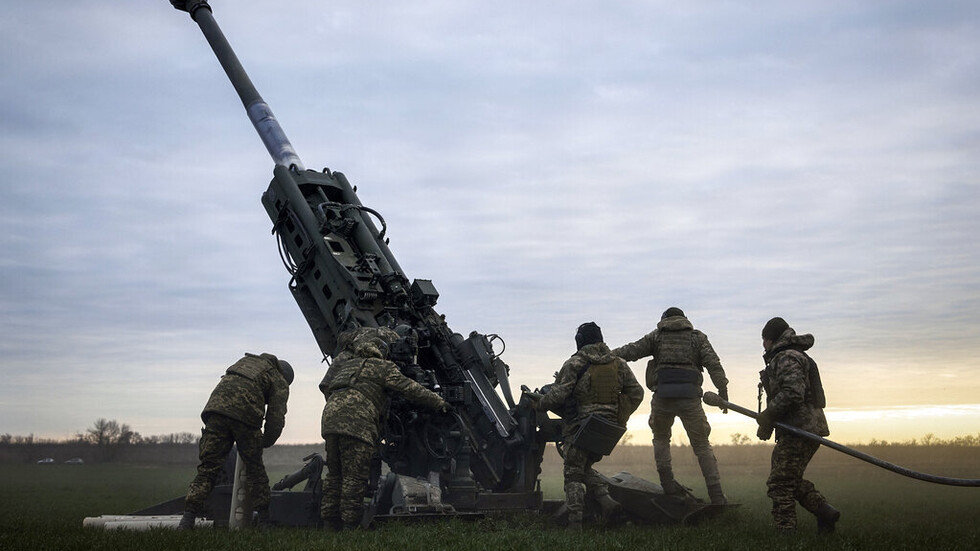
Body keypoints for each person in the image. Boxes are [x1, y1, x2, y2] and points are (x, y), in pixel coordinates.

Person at [319, 326, 450, 530]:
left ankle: (329, 524)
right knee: (354, 478)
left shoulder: (347, 365)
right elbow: (410, 388)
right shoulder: (382, 367)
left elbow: (327, 388)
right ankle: (349, 528)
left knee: (335, 475)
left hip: (330, 422)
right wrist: (439, 403)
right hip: (357, 423)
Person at [531, 322, 644, 531]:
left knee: (573, 474)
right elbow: (637, 393)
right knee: (584, 468)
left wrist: (539, 403)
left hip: (582, 427)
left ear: (580, 341)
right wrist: (620, 415)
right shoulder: (619, 364)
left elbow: (559, 395)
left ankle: (575, 525)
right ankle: (607, 502)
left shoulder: (575, 363)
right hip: (609, 430)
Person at [611, 307, 729, 504]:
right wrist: (722, 390)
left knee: (661, 439)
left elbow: (630, 351)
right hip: (690, 399)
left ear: (664, 319)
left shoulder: (657, 337)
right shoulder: (697, 338)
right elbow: (713, 364)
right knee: (701, 445)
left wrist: (606, 356)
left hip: (663, 397)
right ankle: (716, 495)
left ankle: (668, 486)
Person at [179, 353, 293, 529]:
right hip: (244, 416)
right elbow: (276, 417)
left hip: (216, 410)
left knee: (208, 469)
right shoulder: (278, 379)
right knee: (255, 470)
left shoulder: (245, 363)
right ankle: (264, 521)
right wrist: (265, 441)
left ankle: (187, 519)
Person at [757, 317, 840, 533]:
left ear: (770, 339)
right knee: (790, 479)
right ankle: (825, 512)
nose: (763, 345)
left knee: (780, 484)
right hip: (803, 428)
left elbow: (792, 393)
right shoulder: (792, 355)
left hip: (799, 430)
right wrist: (767, 424)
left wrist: (768, 414)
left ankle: (786, 532)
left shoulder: (786, 357)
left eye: (764, 340)